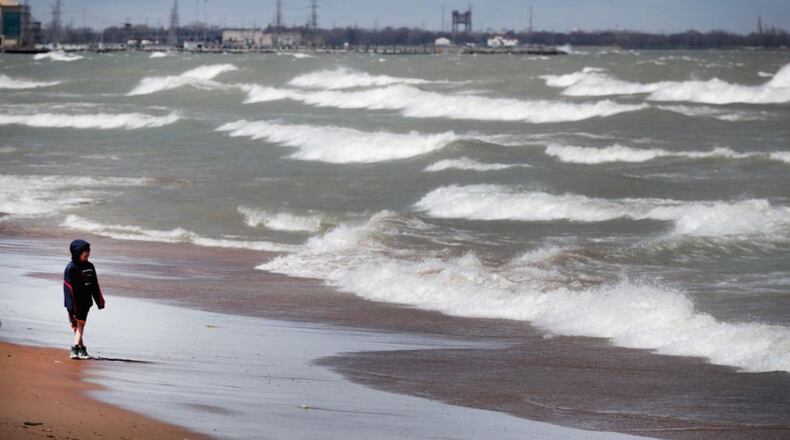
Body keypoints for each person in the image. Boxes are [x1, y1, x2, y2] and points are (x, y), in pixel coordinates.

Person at [63, 239, 105, 360]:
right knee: (76, 326)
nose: (87, 255)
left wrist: (100, 301)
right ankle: (79, 350)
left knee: (80, 325)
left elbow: (94, 285)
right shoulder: (71, 268)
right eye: (84, 253)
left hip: (85, 302)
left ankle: (77, 349)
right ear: (76, 253)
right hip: (72, 303)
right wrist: (71, 307)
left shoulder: (90, 266)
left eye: (88, 253)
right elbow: (67, 289)